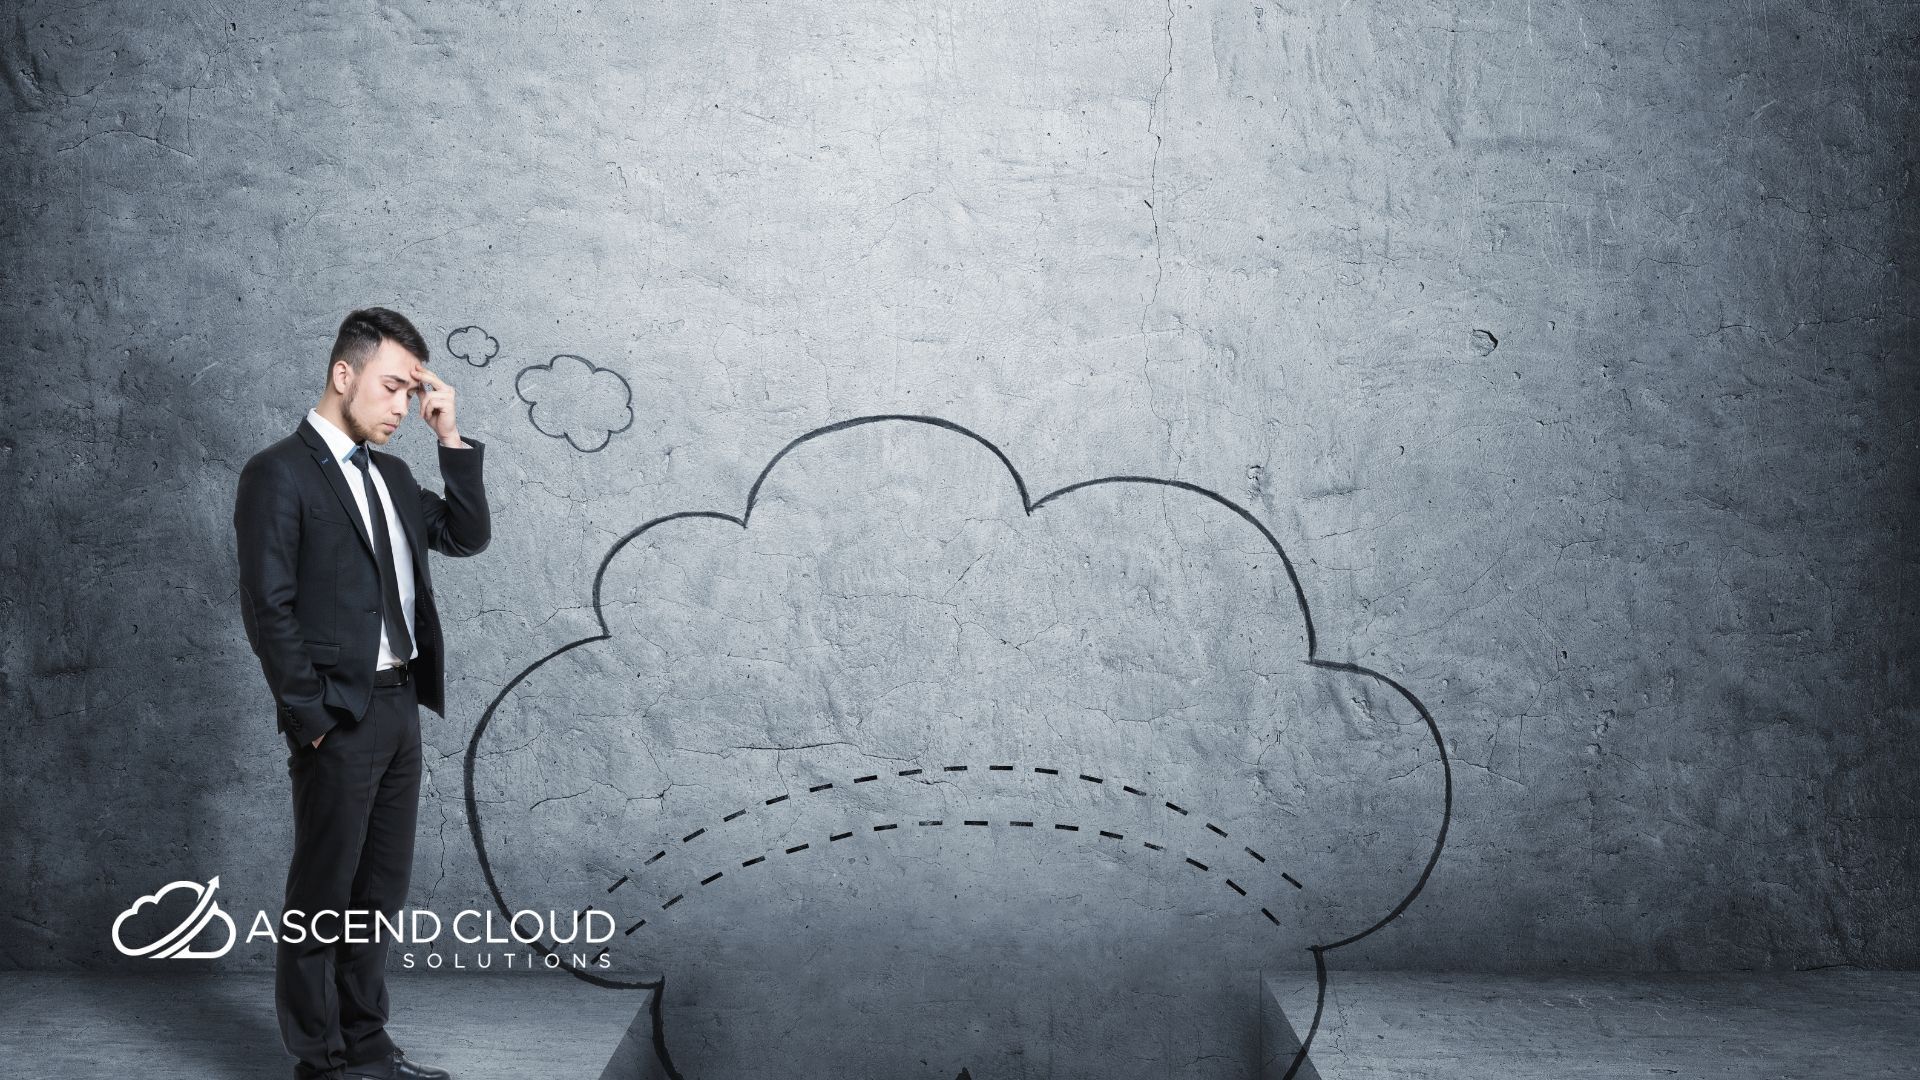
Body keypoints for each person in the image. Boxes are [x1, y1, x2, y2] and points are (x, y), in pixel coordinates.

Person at [234, 307, 491, 1080]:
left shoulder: (397, 473)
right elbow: (266, 607)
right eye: (392, 388)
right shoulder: (277, 472)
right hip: (336, 719)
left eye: (413, 394)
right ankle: (320, 1061)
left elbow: (467, 536)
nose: (402, 409)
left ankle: (369, 1050)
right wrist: (311, 720)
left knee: (377, 896)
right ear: (343, 375)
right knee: (322, 896)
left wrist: (450, 437)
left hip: (400, 708)